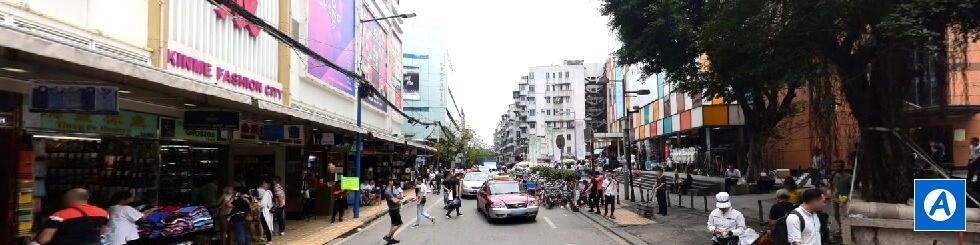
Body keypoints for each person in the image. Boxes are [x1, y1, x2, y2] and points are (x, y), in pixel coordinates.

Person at [34, 188, 109, 245]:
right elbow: (102, 231)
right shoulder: (103, 213)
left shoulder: (60, 215)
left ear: (70, 198)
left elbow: (43, 239)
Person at [382, 179, 408, 244]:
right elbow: (394, 201)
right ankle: (388, 236)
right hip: (394, 210)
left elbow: (396, 197)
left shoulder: (390, 190)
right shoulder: (387, 192)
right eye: (391, 181)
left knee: (393, 224)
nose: (393, 182)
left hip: (394, 209)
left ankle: (391, 238)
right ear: (389, 182)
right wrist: (402, 200)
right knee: (399, 223)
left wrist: (401, 197)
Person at [829, 160, 852, 225]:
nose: (836, 168)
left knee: (843, 215)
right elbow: (830, 185)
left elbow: (852, 188)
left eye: (838, 166)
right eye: (835, 166)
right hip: (835, 198)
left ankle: (845, 229)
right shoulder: (833, 175)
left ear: (843, 166)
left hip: (844, 199)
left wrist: (848, 197)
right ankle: (840, 228)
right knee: (836, 214)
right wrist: (832, 194)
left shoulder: (848, 176)